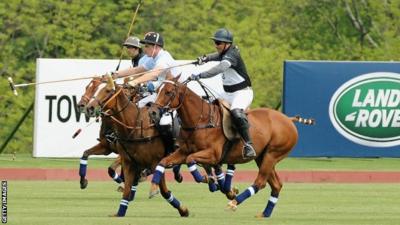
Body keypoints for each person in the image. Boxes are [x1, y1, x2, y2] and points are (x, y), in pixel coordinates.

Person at [191, 28, 256, 159]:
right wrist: (204, 59)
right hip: (227, 93)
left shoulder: (232, 55)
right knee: (208, 106)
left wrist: (201, 75)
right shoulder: (224, 51)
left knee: (236, 112)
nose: (216, 45)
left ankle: (249, 145)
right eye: (215, 42)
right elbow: (215, 56)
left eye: (219, 43)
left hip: (242, 93)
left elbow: (220, 68)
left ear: (228, 44)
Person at [113, 31, 180, 155]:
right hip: (162, 93)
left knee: (164, 122)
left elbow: (153, 73)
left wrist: (134, 83)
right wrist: (115, 75)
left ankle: (170, 149)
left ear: (156, 47)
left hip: (175, 96)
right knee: (136, 109)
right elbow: (138, 69)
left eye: (147, 46)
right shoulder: (153, 58)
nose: (145, 48)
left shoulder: (163, 59)